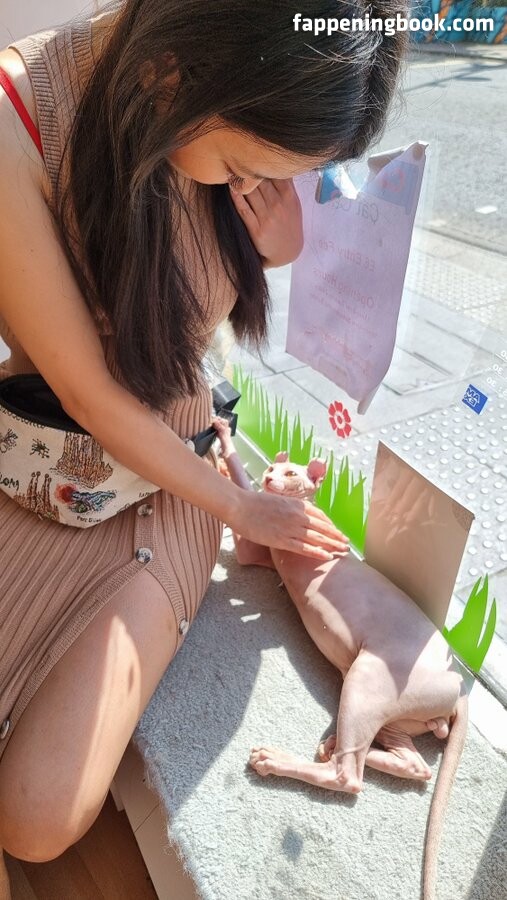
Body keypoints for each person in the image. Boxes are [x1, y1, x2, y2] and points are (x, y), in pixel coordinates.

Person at [0, 0, 407, 892]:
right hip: (44, 462)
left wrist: (279, 240)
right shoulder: (15, 122)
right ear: (173, 71)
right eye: (247, 167)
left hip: (175, 480)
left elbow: (244, 262)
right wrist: (244, 509)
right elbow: (88, 391)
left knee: (35, 817)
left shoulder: (221, 107)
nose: (252, 186)